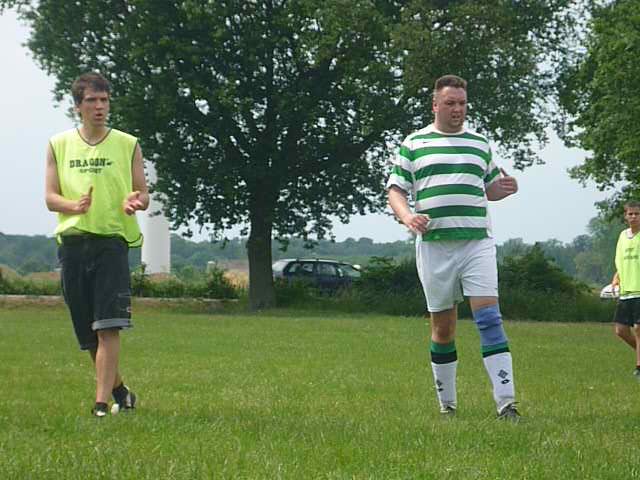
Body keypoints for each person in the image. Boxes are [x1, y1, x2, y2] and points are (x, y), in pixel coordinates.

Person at [386, 74, 520, 420]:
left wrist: (506, 188)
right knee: (443, 329)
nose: (457, 109)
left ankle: (506, 404)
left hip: (477, 243)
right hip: (435, 246)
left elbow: (490, 188)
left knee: (489, 318)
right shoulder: (414, 143)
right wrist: (408, 217)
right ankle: (447, 406)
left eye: (462, 103)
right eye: (450, 103)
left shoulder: (479, 143)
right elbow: (396, 190)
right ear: (435, 105)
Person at [45, 72, 149, 417]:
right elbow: (50, 197)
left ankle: (101, 405)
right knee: (89, 333)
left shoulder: (128, 144)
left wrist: (136, 201)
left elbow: (143, 194)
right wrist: (74, 206)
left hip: (111, 243)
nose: (100, 106)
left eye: (104, 100)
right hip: (73, 245)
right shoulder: (58, 144)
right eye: (92, 100)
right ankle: (120, 391)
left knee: (108, 325)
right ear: (78, 106)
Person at [611, 201, 640, 379]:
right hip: (626, 291)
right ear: (626, 216)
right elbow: (620, 261)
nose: (634, 217)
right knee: (621, 330)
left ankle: (639, 368)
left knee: (638, 329)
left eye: (637, 214)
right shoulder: (623, 236)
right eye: (631, 214)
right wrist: (616, 277)